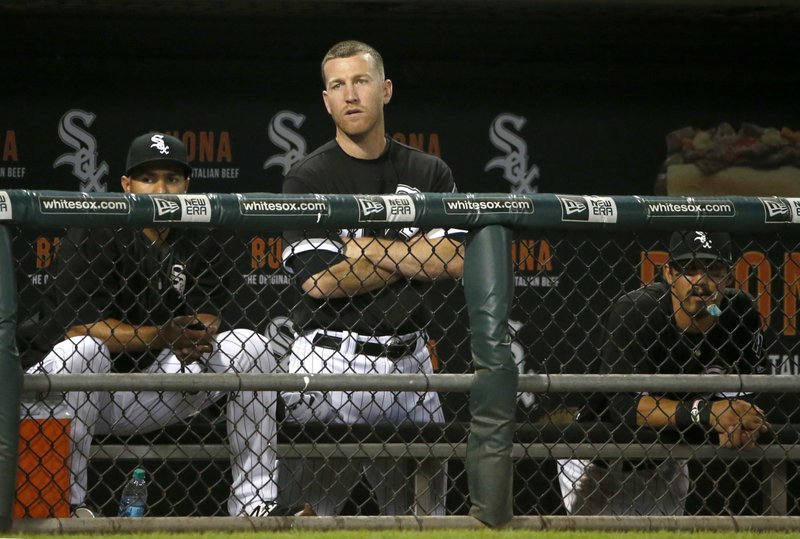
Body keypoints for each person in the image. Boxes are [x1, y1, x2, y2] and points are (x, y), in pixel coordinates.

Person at [27, 133, 281, 517]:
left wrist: (197, 332)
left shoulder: (203, 230)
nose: (161, 189)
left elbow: (208, 310)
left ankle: (256, 503)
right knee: (84, 351)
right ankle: (70, 504)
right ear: (127, 186)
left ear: (186, 186)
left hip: (157, 387)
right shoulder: (98, 227)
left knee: (252, 347)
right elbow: (79, 329)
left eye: (172, 178)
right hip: (84, 393)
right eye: (148, 178)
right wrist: (163, 334)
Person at [279, 40, 465, 515]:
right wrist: (410, 254)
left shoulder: (428, 171)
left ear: (385, 90)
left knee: (425, 519)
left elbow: (454, 260)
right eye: (337, 85)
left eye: (360, 81)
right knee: (309, 515)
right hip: (329, 357)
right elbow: (319, 281)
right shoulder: (307, 177)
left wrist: (365, 248)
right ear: (326, 100)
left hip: (412, 358)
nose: (350, 95)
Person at [558, 230, 769, 515]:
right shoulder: (638, 311)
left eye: (713, 270)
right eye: (690, 269)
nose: (702, 282)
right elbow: (625, 407)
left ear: (729, 276)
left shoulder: (733, 312)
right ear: (669, 273)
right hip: (600, 461)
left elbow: (749, 390)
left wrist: (740, 423)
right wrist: (708, 413)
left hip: (666, 462)